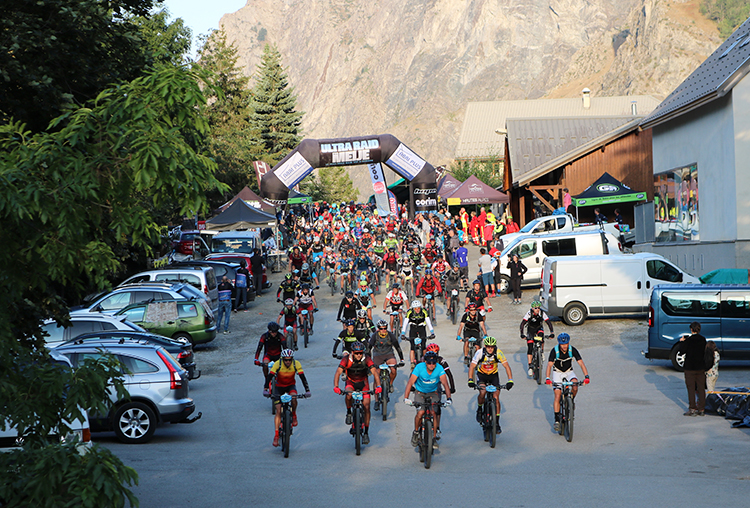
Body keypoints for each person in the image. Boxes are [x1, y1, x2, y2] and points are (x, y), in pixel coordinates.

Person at [333, 341, 381, 445]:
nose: (359, 355)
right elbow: (338, 372)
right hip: (351, 382)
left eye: (360, 353)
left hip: (363, 383)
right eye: (356, 353)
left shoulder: (367, 359)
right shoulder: (346, 359)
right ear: (352, 352)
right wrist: (336, 387)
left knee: (367, 406)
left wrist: (378, 386)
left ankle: (366, 433)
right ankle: (349, 412)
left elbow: (375, 372)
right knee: (349, 394)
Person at [403, 350, 452, 449]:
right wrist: (406, 398)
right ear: (425, 362)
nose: (431, 365)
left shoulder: (439, 369)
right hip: (420, 392)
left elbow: (445, 384)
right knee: (420, 412)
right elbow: (410, 383)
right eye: (429, 362)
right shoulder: (419, 368)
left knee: (434, 412)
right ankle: (416, 432)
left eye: (433, 363)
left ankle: (433, 439)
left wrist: (449, 398)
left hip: (432, 392)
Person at [467, 336, 513, 434]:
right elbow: (472, 366)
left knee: (496, 397)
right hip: (482, 375)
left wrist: (510, 380)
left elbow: (506, 366)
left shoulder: (499, 353)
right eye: (488, 346)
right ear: (485, 346)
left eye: (492, 346)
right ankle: (480, 409)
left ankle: (496, 423)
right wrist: (470, 380)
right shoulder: (479, 352)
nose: (490, 349)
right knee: (482, 392)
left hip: (493, 376)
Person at [266, 349, 311, 447]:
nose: (288, 362)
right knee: (278, 411)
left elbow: (302, 377)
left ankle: (294, 414)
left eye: (289, 360)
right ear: (282, 359)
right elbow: (270, 376)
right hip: (279, 388)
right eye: (286, 360)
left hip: (290, 386)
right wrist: (265, 389)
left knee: (294, 398)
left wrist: (307, 390)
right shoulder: (278, 364)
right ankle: (276, 435)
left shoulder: (296, 364)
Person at [545, 333, 590, 431]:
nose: (564, 346)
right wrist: (548, 378)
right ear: (559, 344)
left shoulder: (572, 350)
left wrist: (586, 376)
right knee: (557, 395)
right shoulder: (555, 351)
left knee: (575, 385)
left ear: (569, 343)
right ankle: (557, 420)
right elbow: (549, 365)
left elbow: (581, 363)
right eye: (562, 344)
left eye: (566, 344)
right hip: (557, 373)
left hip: (569, 372)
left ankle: (571, 401)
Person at [367, 320, 405, 408]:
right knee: (376, 374)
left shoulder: (390, 335)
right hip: (377, 355)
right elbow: (369, 348)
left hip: (389, 354)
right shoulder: (374, 336)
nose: (383, 330)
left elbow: (397, 347)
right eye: (381, 329)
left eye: (385, 328)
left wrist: (402, 359)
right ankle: (376, 400)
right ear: (378, 329)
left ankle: (391, 384)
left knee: (393, 369)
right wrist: (368, 360)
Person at [678, 322, 707, 416]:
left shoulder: (688, 340)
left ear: (691, 329)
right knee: (701, 388)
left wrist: (681, 342)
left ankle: (692, 408)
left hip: (690, 368)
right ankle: (702, 408)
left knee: (691, 388)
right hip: (700, 367)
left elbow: (682, 352)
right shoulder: (703, 340)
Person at [520, 300, 554, 376]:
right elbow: (522, 324)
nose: (537, 309)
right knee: (530, 347)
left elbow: (548, 323)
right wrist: (522, 334)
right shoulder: (529, 313)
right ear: (532, 308)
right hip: (531, 330)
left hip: (539, 328)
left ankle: (541, 352)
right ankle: (530, 367)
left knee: (541, 336)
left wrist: (552, 332)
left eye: (538, 308)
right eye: (536, 308)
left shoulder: (542, 313)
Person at [401, 300, 435, 368]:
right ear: (413, 308)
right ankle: (412, 363)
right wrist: (403, 333)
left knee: (423, 346)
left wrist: (432, 332)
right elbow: (405, 323)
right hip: (413, 328)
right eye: (415, 308)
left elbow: (428, 322)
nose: (417, 310)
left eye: (418, 308)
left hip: (421, 328)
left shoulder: (424, 311)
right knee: (412, 347)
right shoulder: (409, 312)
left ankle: (425, 361)